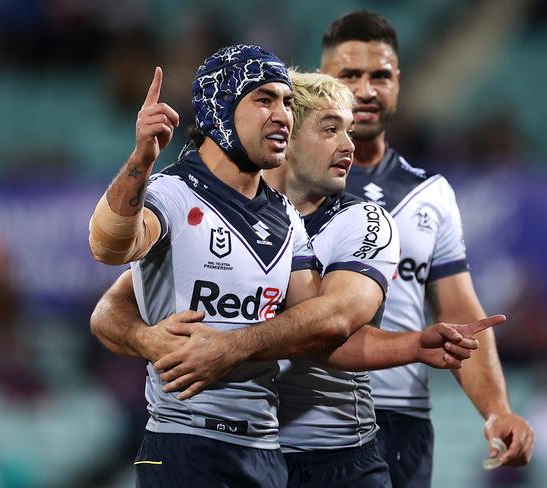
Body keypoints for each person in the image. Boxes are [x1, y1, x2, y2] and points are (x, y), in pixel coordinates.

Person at [91, 65, 505, 487]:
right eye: (330, 130)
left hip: (333, 457)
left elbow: (335, 321)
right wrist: (147, 338)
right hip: (235, 447)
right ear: (286, 141)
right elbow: (111, 308)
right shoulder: (208, 203)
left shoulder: (362, 221)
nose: (350, 145)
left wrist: (414, 344)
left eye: (349, 131)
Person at [319, 10, 534, 487]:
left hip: (402, 422)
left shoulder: (432, 193)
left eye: (381, 76)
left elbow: (460, 312)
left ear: (399, 84)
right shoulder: (285, 184)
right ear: (321, 83)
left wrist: (496, 410)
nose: (367, 90)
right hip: (306, 415)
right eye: (348, 75)